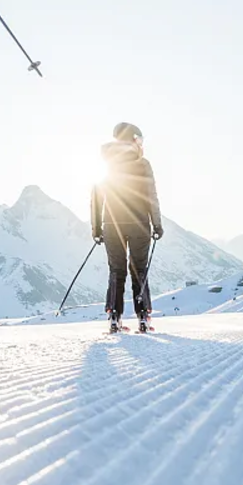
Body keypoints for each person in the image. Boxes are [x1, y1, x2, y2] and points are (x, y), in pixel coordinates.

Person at [92, 122, 163, 333]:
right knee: (139, 270)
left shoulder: (106, 164)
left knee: (116, 270)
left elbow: (96, 199)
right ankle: (143, 318)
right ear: (133, 140)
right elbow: (151, 196)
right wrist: (157, 224)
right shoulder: (143, 164)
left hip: (112, 224)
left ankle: (114, 318)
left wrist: (96, 228)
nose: (141, 144)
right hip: (139, 224)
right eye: (139, 140)